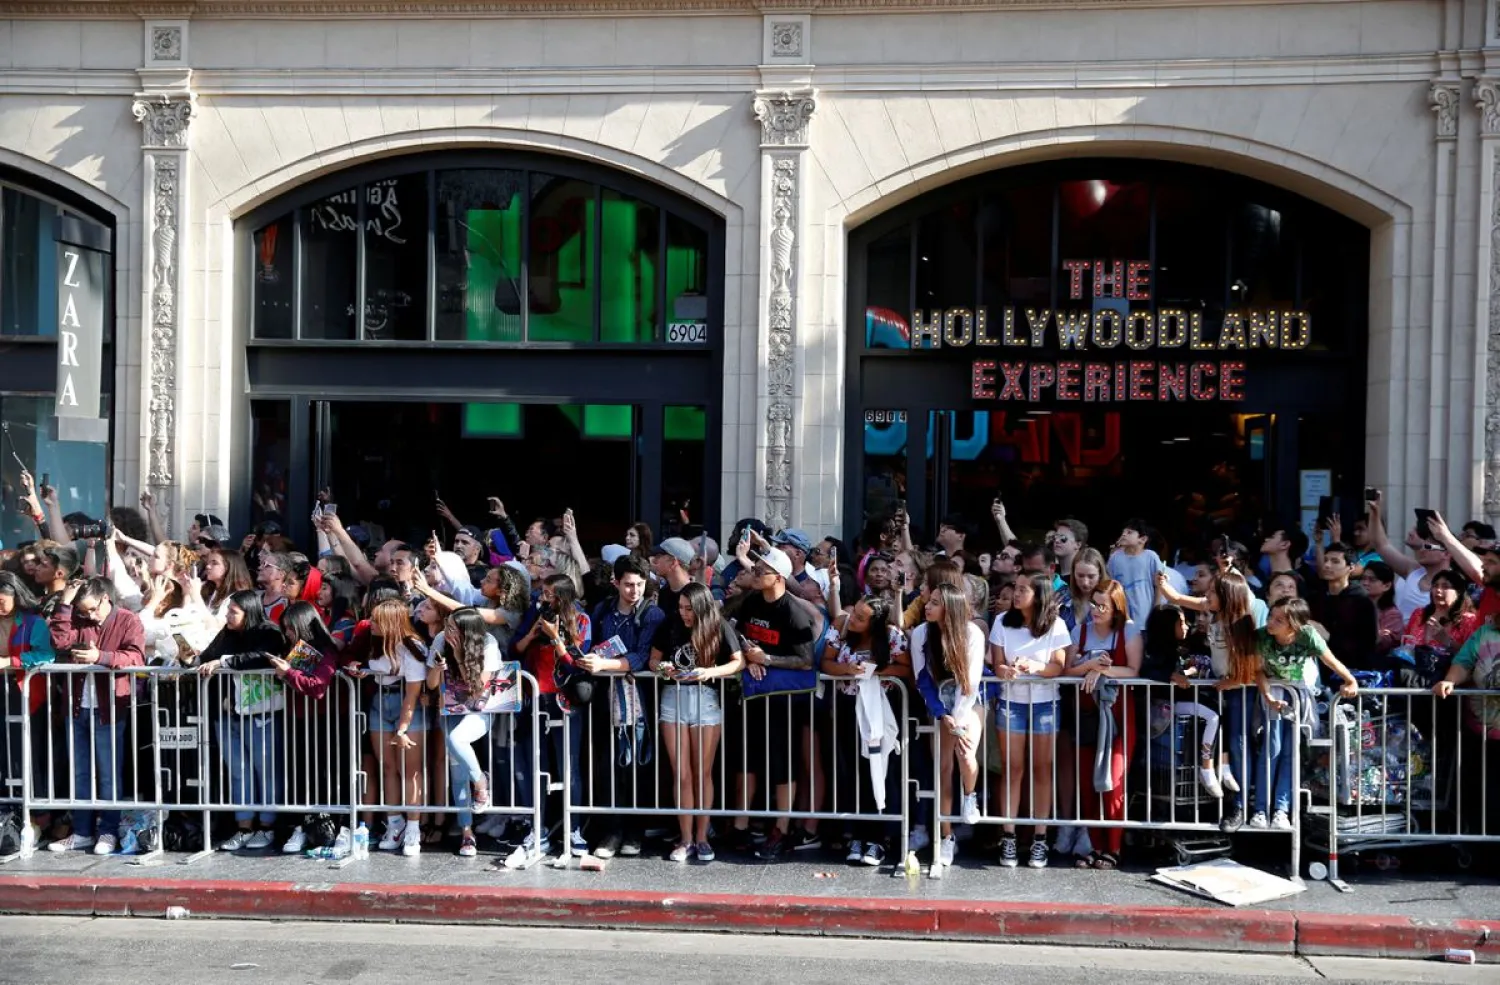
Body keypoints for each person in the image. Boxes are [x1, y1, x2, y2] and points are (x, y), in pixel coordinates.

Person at [45, 578, 146, 855]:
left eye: (91, 609)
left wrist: (98, 656)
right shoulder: (76, 617)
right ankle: (81, 832)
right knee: (80, 772)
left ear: (105, 599)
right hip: (77, 706)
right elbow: (59, 640)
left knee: (108, 775)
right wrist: (64, 604)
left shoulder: (128, 619)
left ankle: (108, 831)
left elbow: (136, 657)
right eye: (83, 610)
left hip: (110, 706)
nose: (87, 615)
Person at [1156, 569, 1261, 831]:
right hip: (1220, 685)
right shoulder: (1210, 609)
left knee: (1238, 743)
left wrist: (1231, 682)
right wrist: (1163, 583)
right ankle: (1222, 786)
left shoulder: (1241, 622)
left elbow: (1254, 667)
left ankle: (1239, 804)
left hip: (1241, 688)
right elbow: (1179, 598)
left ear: (1227, 596)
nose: (1207, 595)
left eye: (1213, 591)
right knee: (1221, 736)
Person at [731, 546, 818, 860]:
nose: (754, 574)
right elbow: (732, 627)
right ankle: (741, 825)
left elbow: (806, 660)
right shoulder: (752, 600)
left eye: (760, 571)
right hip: (755, 695)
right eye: (754, 570)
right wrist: (746, 652)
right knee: (748, 759)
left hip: (784, 701)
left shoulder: (792, 611)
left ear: (778, 577)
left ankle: (781, 827)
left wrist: (767, 658)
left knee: (783, 762)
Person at [649, 582, 744, 862]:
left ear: (701, 607)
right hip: (673, 698)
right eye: (680, 607)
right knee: (682, 773)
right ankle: (686, 838)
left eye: (689, 609)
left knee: (702, 772)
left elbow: (737, 661)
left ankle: (702, 838)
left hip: (706, 699)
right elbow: (653, 659)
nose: (684, 613)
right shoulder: (670, 624)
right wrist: (663, 667)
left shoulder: (718, 625)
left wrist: (709, 671)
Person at [582, 554, 665, 860]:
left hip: (639, 702)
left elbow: (642, 655)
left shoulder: (652, 614)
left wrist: (605, 663)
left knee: (638, 766)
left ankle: (634, 831)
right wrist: (594, 660)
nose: (634, 591)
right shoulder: (602, 610)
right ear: (616, 583)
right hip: (606, 700)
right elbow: (590, 645)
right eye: (629, 584)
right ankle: (611, 830)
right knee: (607, 767)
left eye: (640, 584)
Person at [1253, 598, 1359, 830]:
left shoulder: (1308, 635)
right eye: (1271, 616)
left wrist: (1350, 680)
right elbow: (1258, 670)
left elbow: (1329, 660)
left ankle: (1281, 809)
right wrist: (1269, 696)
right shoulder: (1261, 636)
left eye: (1279, 620)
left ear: (1294, 625)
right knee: (1272, 748)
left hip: (1298, 694)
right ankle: (1260, 808)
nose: (1271, 622)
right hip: (1272, 692)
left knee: (1292, 751)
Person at [195, 590, 289, 851]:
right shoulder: (227, 632)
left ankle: (267, 826)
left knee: (266, 771)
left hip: (260, 714)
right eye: (228, 610)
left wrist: (223, 662)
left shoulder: (268, 631)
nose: (228, 616)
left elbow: (263, 657)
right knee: (239, 772)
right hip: (227, 715)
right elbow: (206, 657)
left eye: (233, 611)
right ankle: (244, 826)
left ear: (249, 611)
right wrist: (194, 657)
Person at [988, 572, 1069, 869]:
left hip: (1046, 702)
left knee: (1043, 769)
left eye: (1023, 589)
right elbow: (995, 663)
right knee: (1013, 769)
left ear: (1039, 595)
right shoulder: (1001, 622)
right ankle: (1008, 836)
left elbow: (1058, 666)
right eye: (1016, 588)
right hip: (1012, 702)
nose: (1017, 593)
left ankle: (1039, 838)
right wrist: (1004, 671)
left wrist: (1035, 666)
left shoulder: (1056, 624)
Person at [821, 594, 909, 867]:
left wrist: (879, 670)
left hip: (881, 708)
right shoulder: (841, 626)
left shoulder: (891, 635)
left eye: (861, 617)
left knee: (881, 770)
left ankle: (880, 838)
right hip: (849, 706)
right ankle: (857, 833)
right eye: (855, 613)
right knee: (853, 771)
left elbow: (907, 669)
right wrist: (847, 669)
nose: (854, 619)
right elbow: (825, 662)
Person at [511, 572, 592, 859]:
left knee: (569, 768)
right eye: (541, 593)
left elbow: (578, 665)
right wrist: (534, 633)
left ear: (562, 597)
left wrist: (557, 637)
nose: (541, 598)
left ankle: (574, 830)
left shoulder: (581, 620)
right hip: (535, 698)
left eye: (547, 594)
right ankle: (538, 828)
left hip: (565, 700)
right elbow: (515, 648)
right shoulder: (535, 615)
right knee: (535, 767)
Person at [1066, 580, 1142, 869]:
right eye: (1094, 603)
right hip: (1086, 712)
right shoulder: (1079, 630)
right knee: (1087, 781)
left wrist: (1103, 670)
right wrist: (1091, 666)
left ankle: (1113, 848)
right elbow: (1068, 668)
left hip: (1118, 714)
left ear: (1116, 608)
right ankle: (1095, 845)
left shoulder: (1129, 631)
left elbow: (1134, 670)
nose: (1096, 610)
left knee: (1113, 780)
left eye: (1103, 605)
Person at [913, 583, 986, 867]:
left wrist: (957, 718)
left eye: (934, 603)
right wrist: (942, 714)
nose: (927, 606)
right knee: (943, 768)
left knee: (966, 753)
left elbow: (971, 681)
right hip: (939, 703)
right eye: (928, 601)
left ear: (949, 608)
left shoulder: (972, 634)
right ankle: (946, 836)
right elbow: (922, 678)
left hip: (969, 699)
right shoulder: (921, 633)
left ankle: (970, 795)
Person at [267, 600, 345, 853]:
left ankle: (330, 826)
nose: (288, 634)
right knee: (301, 776)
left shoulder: (325, 649)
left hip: (326, 722)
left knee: (327, 777)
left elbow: (317, 686)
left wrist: (288, 673)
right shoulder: (297, 648)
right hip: (298, 720)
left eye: (291, 628)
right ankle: (303, 826)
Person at [426, 607, 503, 858]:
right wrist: (438, 668)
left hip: (479, 709)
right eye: (446, 626)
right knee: (457, 773)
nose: (446, 632)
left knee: (456, 739)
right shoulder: (440, 640)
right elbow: (431, 684)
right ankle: (466, 833)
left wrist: (459, 655)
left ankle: (481, 782)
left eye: (452, 629)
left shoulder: (488, 643)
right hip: (450, 709)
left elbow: (477, 687)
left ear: (467, 631)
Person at [361, 598, 430, 856]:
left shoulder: (413, 647)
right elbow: (379, 668)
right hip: (380, 700)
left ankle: (413, 827)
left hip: (405, 702)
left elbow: (412, 695)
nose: (372, 624)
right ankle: (394, 822)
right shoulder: (378, 643)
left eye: (378, 620)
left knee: (410, 769)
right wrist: (364, 670)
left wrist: (402, 727)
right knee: (387, 767)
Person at [2, 572, 55, 849]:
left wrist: (11, 661)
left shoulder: (33, 622)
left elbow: (46, 654)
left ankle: (37, 814)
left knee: (27, 753)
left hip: (23, 692)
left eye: (2, 600)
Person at [1366, 494, 1452, 623]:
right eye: (1422, 545)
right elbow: (1381, 545)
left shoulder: (1455, 583)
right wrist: (1375, 512)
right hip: (1403, 640)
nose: (1422, 549)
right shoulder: (1413, 571)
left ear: (1446, 553)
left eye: (1428, 546)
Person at [1311, 541, 1378, 674]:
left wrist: (1329, 636)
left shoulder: (1361, 601)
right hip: (1317, 670)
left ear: (1351, 567)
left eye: (1335, 561)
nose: (1327, 565)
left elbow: (1366, 644)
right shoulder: (1315, 597)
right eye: (1325, 560)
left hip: (1351, 673)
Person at [1107, 519, 1166, 627]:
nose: (1124, 534)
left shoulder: (1151, 557)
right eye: (1123, 532)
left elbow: (1159, 585)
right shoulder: (1115, 558)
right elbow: (1110, 585)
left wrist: (1156, 608)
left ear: (1142, 539)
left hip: (1145, 617)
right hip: (1122, 617)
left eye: (1129, 532)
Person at [1360, 560, 1404, 658]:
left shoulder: (1392, 614)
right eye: (1363, 579)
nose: (1365, 583)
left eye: (1372, 580)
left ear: (1387, 586)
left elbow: (1381, 643)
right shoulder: (1355, 606)